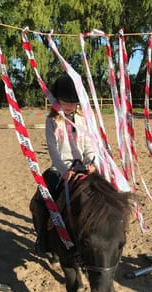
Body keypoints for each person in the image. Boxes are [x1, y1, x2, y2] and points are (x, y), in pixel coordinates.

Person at [30, 74, 96, 254]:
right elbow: (53, 150)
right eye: (65, 101)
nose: (69, 106)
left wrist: (91, 162)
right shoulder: (51, 121)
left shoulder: (83, 120)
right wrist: (63, 169)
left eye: (72, 102)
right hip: (60, 169)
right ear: (57, 100)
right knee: (41, 199)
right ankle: (43, 238)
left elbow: (89, 146)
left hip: (82, 167)